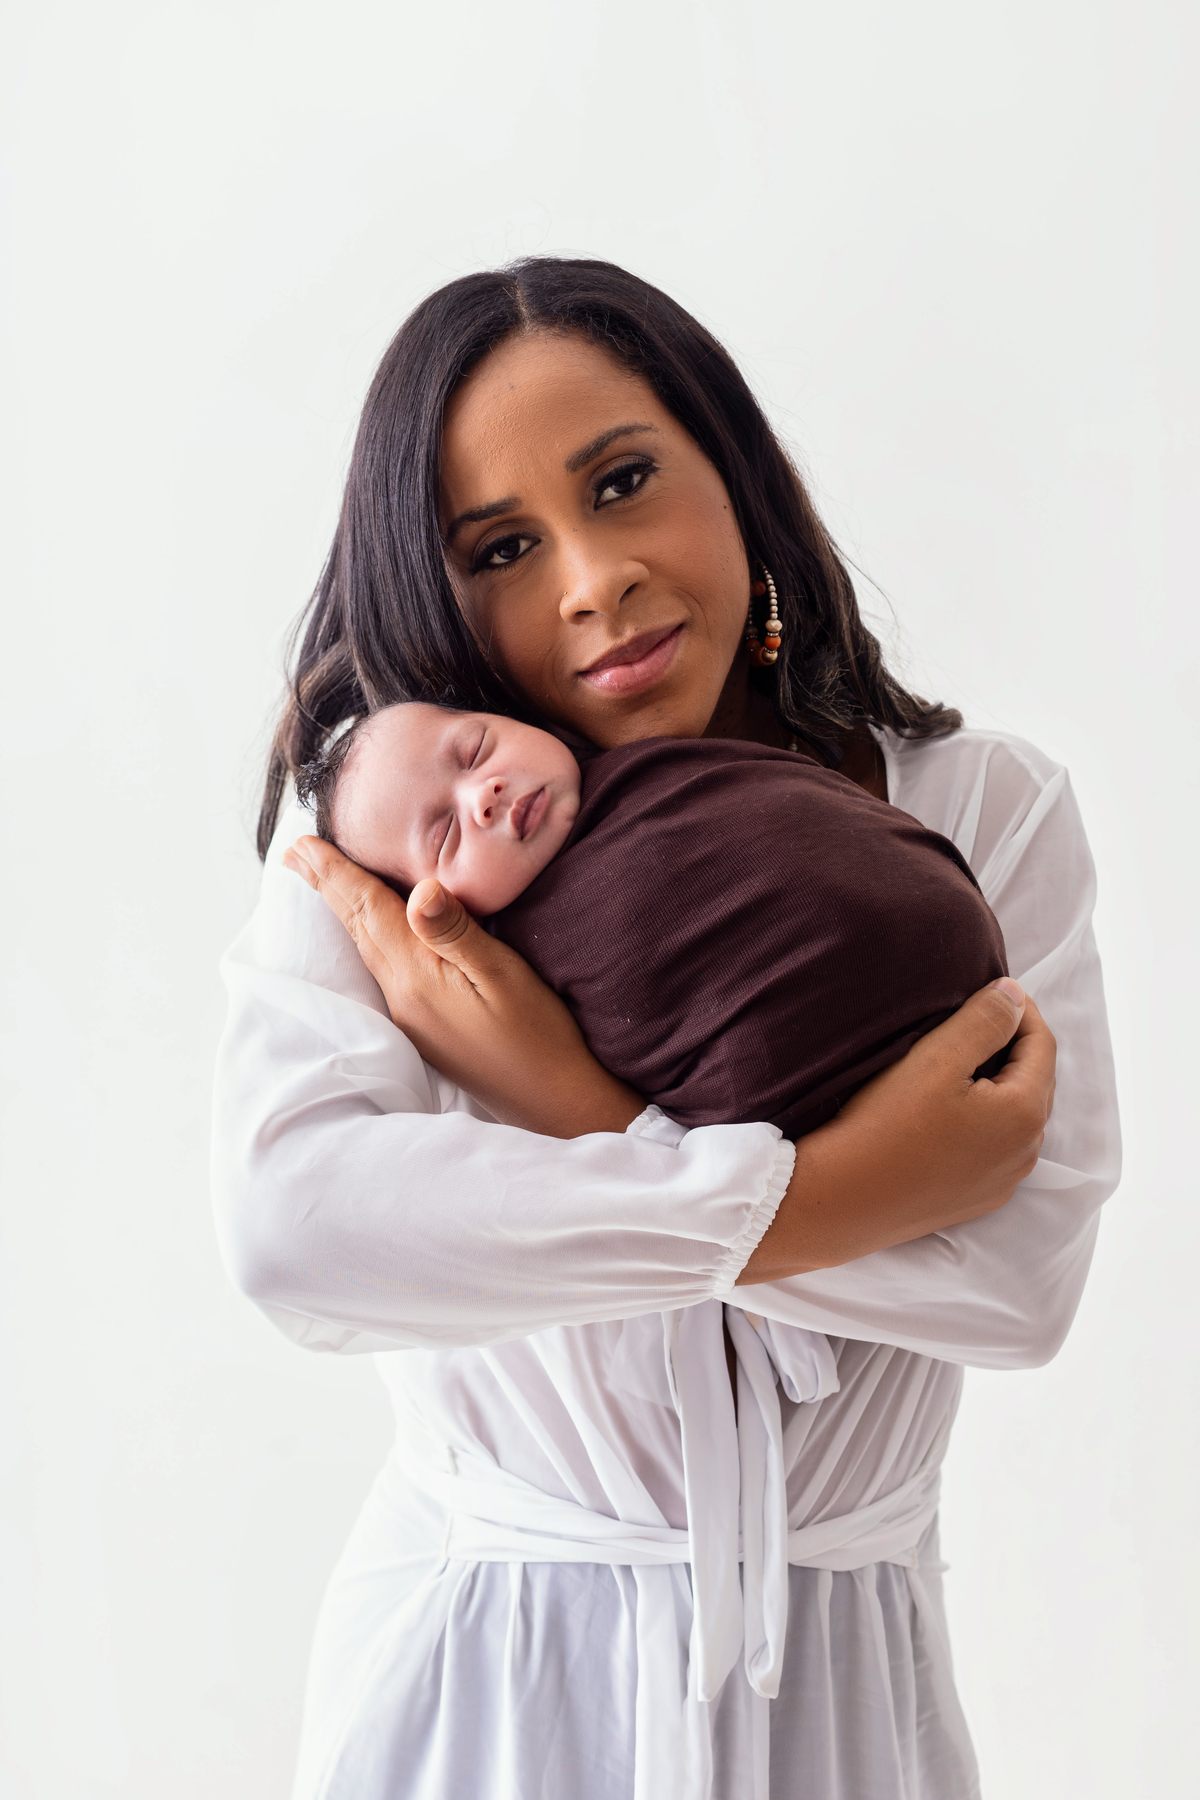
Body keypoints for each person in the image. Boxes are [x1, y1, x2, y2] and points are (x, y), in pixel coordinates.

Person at [212, 257, 1119, 1800]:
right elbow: (297, 1233)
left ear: (740, 480)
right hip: (483, 1680)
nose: (590, 578)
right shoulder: (416, 836)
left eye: (623, 482)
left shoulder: (977, 811)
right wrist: (836, 1191)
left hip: (847, 1694)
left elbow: (1020, 1284)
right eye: (500, 549)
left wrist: (572, 1099)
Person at [287, 700, 1009, 1139]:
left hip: (948, 948)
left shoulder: (651, 766)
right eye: (446, 837)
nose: (485, 792)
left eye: (475, 750)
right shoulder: (510, 971)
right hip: (815, 1091)